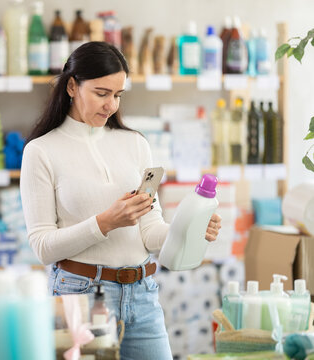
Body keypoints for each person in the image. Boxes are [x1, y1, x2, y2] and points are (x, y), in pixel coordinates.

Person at [20, 41, 222, 360]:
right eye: (101, 93)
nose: (111, 105)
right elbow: (42, 247)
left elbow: (149, 231)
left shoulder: (135, 143)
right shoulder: (41, 152)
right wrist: (106, 222)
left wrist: (188, 229)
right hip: (81, 295)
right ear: (72, 86)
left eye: (117, 95)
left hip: (142, 294)